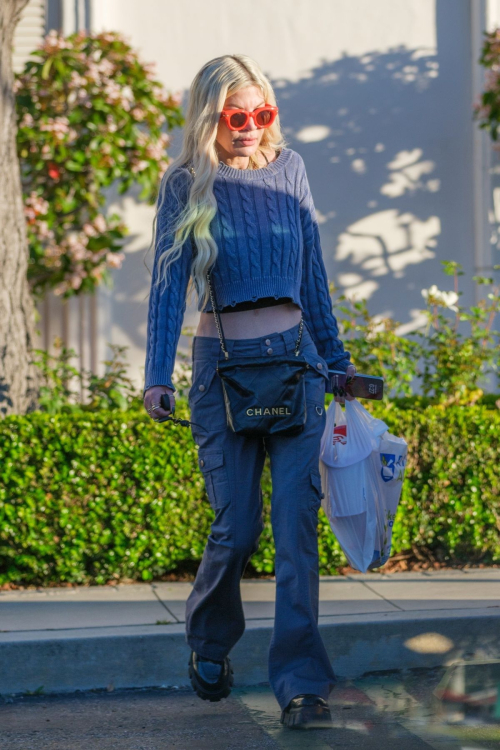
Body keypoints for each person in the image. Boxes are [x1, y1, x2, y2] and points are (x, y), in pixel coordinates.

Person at [142, 53, 356, 730]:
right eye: (238, 116)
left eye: (262, 114)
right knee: (237, 529)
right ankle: (209, 640)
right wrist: (155, 373)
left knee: (296, 531)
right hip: (222, 368)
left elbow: (313, 275)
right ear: (212, 116)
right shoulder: (185, 185)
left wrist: (340, 362)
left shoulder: (290, 170)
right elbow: (167, 284)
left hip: (297, 365)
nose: (251, 127)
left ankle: (301, 686)